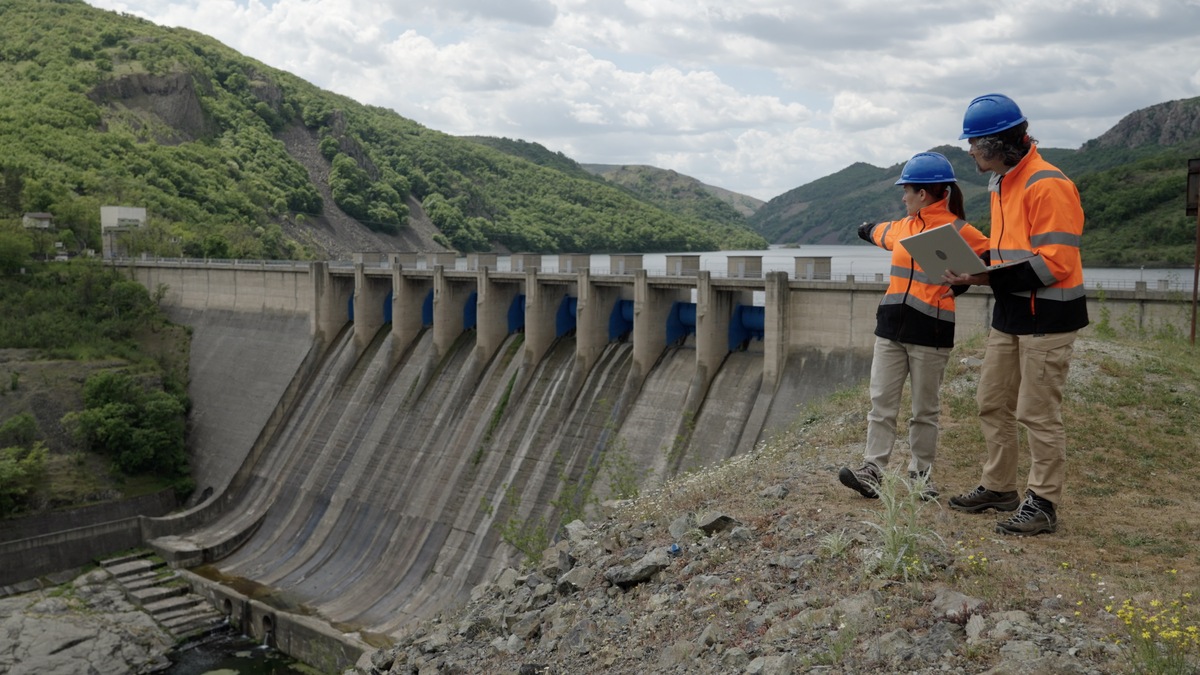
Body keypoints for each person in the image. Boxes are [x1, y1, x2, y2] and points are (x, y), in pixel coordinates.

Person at [942, 93, 1088, 536]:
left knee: (1037, 412)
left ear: (1000, 143)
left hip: (1048, 316)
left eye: (974, 142)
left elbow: (1054, 263)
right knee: (993, 402)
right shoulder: (1004, 182)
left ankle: (1042, 503)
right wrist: (971, 271)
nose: (969, 150)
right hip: (1012, 313)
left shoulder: (1048, 184)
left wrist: (983, 279)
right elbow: (1009, 254)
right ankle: (999, 486)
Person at [838, 152, 990, 501]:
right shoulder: (903, 227)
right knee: (881, 403)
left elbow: (994, 263)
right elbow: (878, 233)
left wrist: (968, 279)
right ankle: (872, 470)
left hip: (931, 331)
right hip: (891, 327)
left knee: (925, 410)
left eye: (906, 190)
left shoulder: (960, 231)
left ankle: (921, 477)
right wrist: (864, 229)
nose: (903, 196)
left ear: (924, 194)